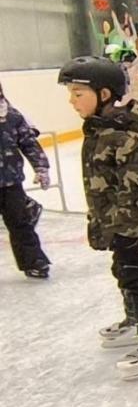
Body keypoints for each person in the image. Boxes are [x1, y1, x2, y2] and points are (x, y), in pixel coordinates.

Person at [58, 57, 138, 380]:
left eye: (78, 93)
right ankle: (135, 319)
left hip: (137, 224)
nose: (72, 101)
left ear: (104, 94)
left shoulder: (124, 136)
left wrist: (125, 228)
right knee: (122, 270)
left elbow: (135, 188)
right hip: (118, 221)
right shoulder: (102, 129)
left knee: (132, 274)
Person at [0, 81, 52, 279]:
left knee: (21, 224)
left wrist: (41, 167)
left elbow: (29, 143)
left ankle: (34, 261)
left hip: (11, 182)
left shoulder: (11, 116)